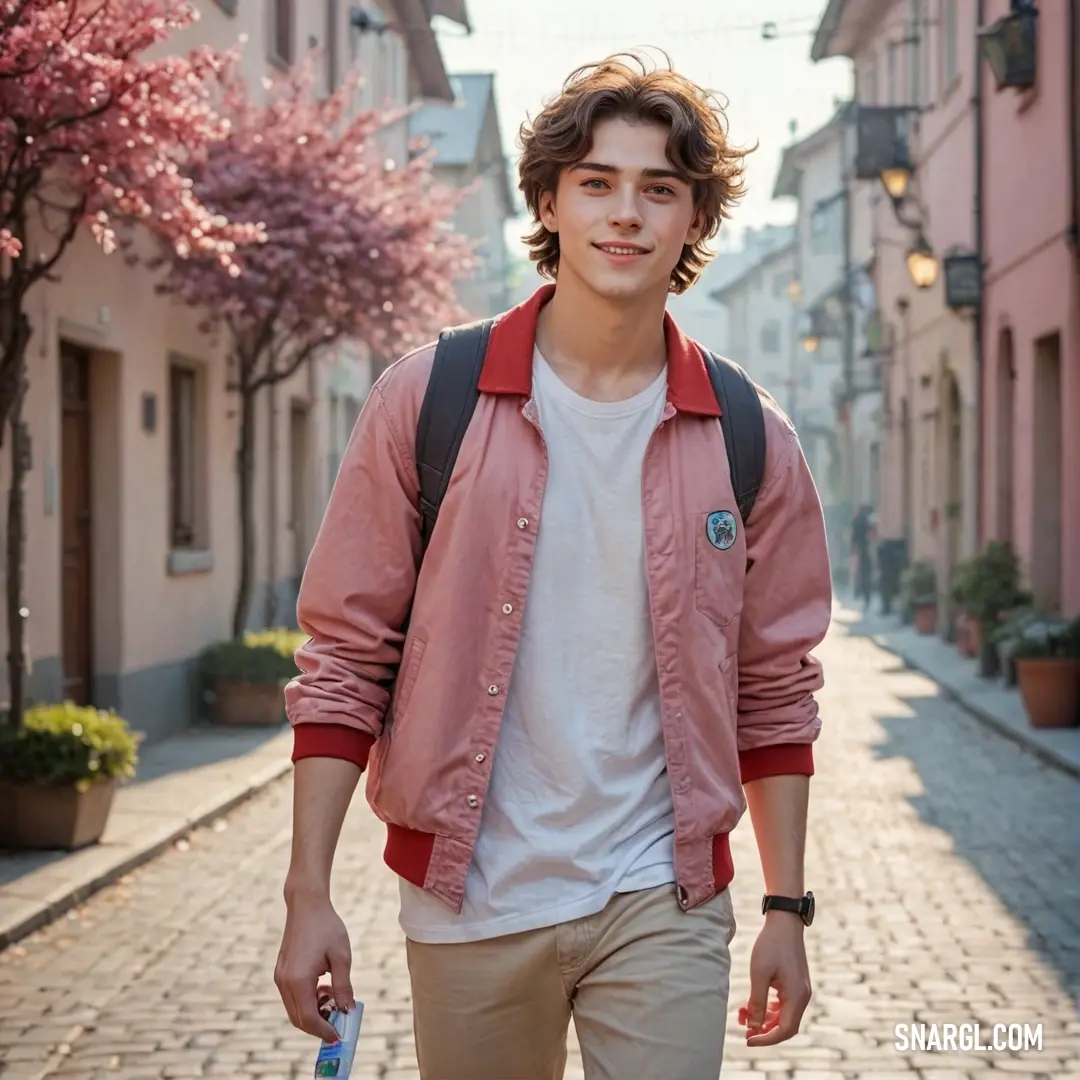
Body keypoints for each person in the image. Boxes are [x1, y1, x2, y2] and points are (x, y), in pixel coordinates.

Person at [274, 52, 833, 1080]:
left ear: (694, 220)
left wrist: (785, 908)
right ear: (548, 201)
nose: (627, 214)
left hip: (662, 899)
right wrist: (308, 891)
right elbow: (346, 655)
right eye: (597, 183)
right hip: (471, 898)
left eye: (659, 189)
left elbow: (776, 692)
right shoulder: (426, 398)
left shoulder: (751, 436)